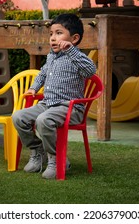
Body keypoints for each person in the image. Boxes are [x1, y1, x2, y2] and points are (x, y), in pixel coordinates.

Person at [12, 13, 96, 179]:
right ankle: (38, 152)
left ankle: (57, 159)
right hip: (48, 104)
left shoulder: (77, 58)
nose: (52, 38)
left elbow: (90, 70)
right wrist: (33, 88)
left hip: (70, 107)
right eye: (51, 34)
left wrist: (71, 51)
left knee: (44, 120)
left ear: (74, 38)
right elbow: (42, 73)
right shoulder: (51, 56)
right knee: (18, 117)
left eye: (58, 33)